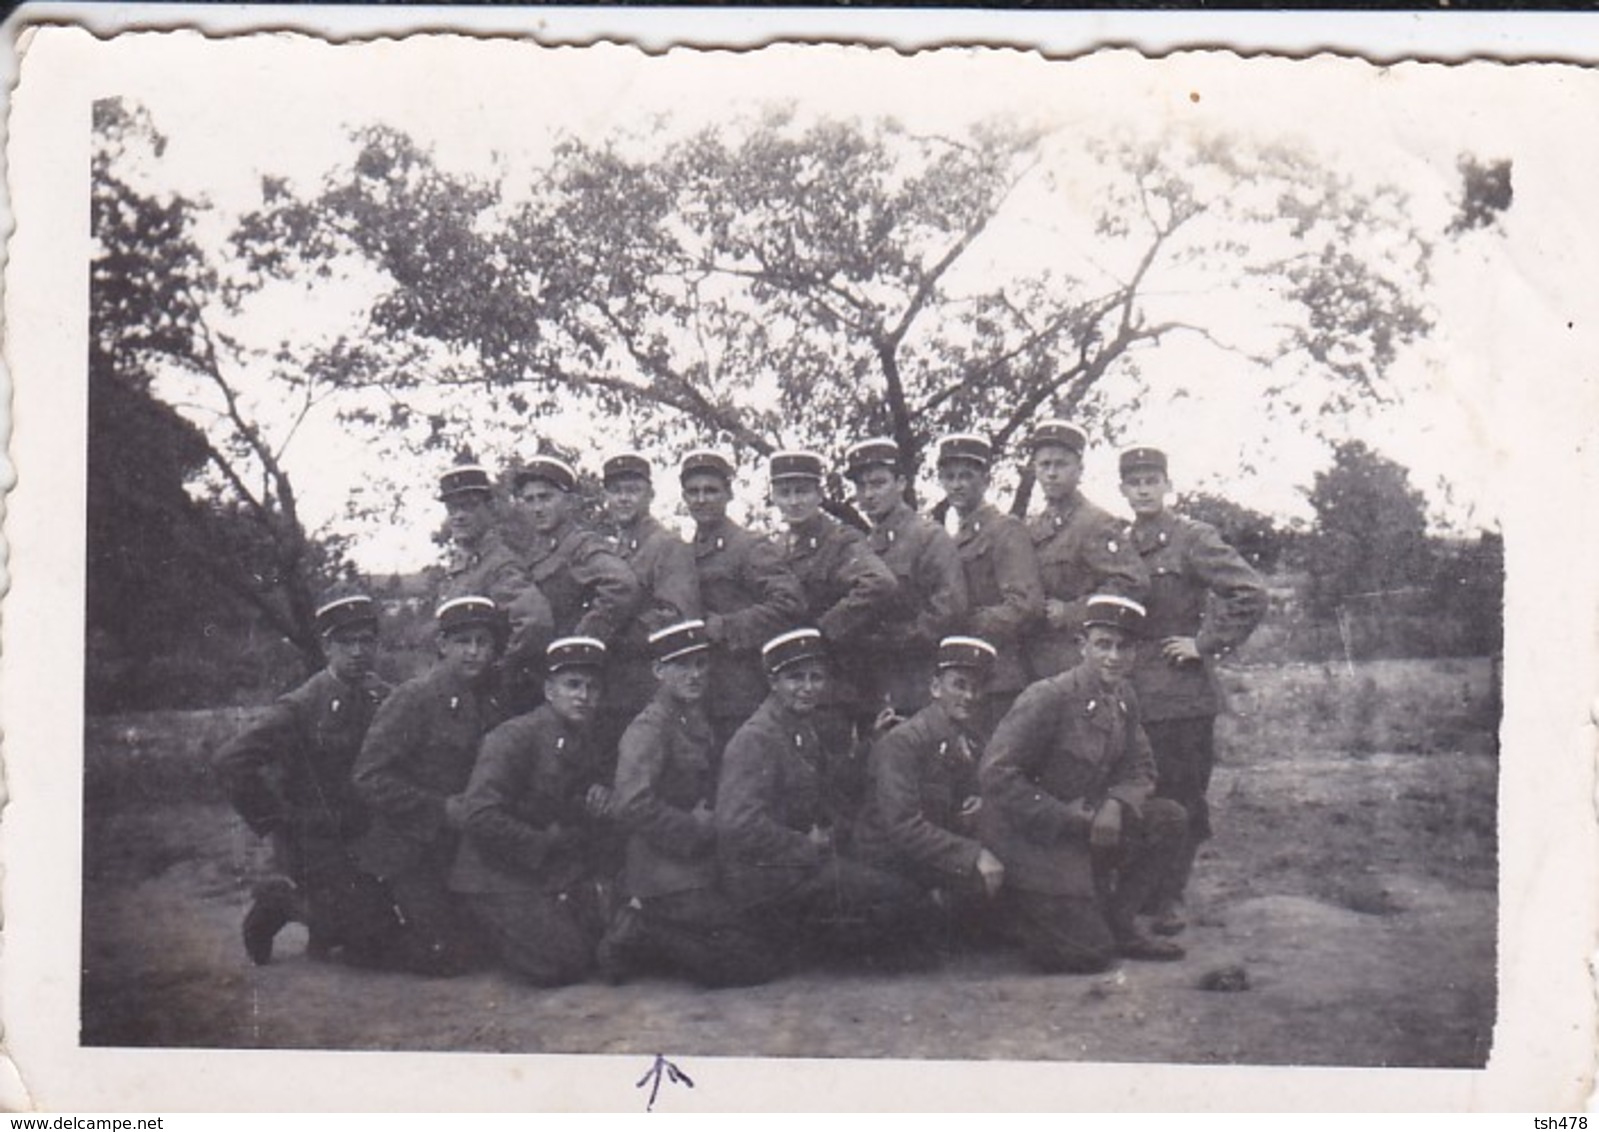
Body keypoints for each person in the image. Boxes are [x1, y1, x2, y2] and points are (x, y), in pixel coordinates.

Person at [979, 595, 1188, 972]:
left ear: (1135, 653)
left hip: (1084, 828)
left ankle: (1120, 922)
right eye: (1102, 645)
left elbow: (1140, 765)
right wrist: (1067, 818)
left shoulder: (1123, 695)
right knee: (1085, 954)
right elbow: (997, 775)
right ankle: (1013, 910)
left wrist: (1115, 805)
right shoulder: (1049, 697)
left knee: (1168, 818)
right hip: (1031, 836)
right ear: (1082, 646)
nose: (1113, 656)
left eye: (1123, 647)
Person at [1119, 445, 1268, 935]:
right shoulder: (1118, 542)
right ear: (1122, 490)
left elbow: (1249, 591)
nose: (1143, 489)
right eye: (1134, 481)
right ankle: (1141, 891)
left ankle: (1171, 897)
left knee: (1183, 794)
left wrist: (1205, 642)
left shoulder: (1192, 538)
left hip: (1181, 693)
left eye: (1151, 479)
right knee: (1140, 794)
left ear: (1167, 484)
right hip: (1130, 691)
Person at [716, 628, 927, 963]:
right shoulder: (757, 738)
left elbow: (828, 780)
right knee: (902, 902)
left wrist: (871, 742)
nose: (808, 688)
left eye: (816, 678)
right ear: (773, 681)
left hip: (799, 866)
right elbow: (736, 824)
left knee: (902, 884)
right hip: (768, 878)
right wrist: (805, 844)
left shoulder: (799, 725)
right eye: (795, 678)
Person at [213, 592, 392, 965]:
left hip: (367, 834)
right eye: (347, 642)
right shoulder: (301, 706)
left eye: (366, 641)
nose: (358, 652)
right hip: (314, 841)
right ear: (328, 647)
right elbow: (231, 760)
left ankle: (328, 923)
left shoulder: (382, 695)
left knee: (390, 926)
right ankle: (280, 901)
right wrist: (277, 820)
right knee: (367, 941)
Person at [600, 620, 778, 987]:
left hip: (696, 862)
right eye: (682, 666)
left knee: (764, 936)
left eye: (700, 665)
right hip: (659, 870)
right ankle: (641, 928)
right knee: (749, 963)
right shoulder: (650, 728)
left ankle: (650, 932)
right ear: (658, 671)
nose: (694, 675)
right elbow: (631, 804)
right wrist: (694, 827)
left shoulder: (692, 717)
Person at [349, 596, 509, 975]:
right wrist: (439, 808)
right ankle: (310, 913)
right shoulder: (415, 698)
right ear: (442, 645)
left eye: (482, 642)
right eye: (462, 642)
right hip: (408, 846)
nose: (473, 652)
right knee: (444, 956)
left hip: (460, 847)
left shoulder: (492, 700)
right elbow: (368, 777)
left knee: (490, 943)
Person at [449, 637, 618, 987]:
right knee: (562, 965)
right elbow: (479, 815)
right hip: (493, 873)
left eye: (592, 687)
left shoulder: (585, 737)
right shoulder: (515, 737)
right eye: (572, 685)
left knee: (604, 948)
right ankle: (481, 932)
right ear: (549, 690)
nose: (583, 696)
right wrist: (544, 845)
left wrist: (602, 788)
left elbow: (575, 789)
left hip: (542, 869)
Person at [853, 636, 1007, 944]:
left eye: (976, 688)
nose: (969, 696)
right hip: (889, 858)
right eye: (959, 685)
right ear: (936, 688)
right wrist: (972, 854)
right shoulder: (904, 741)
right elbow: (903, 826)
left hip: (928, 852)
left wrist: (982, 804)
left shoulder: (971, 738)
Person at [769, 448, 899, 749]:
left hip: (837, 683)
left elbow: (879, 583)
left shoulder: (841, 540)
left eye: (802, 491)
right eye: (785, 493)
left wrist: (823, 631)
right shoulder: (778, 547)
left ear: (818, 494)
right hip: (794, 684)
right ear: (774, 497)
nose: (794, 501)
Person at [679, 448, 807, 751]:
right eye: (693, 492)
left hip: (742, 691)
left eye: (711, 490)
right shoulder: (684, 552)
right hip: (699, 692)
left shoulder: (749, 547)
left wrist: (726, 626)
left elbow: (790, 603)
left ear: (729, 494)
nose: (701, 499)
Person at [843, 437, 968, 716]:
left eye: (878, 483)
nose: (868, 494)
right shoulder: (863, 544)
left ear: (901, 483)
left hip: (918, 680)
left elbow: (950, 607)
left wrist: (901, 638)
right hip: (872, 684)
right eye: (861, 486)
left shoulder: (927, 536)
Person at [596, 451, 702, 769]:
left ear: (650, 495)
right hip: (613, 687)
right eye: (616, 491)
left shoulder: (667, 546)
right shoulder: (611, 550)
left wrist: (610, 636)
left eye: (632, 490)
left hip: (649, 686)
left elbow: (677, 615)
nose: (623, 499)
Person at [510, 454, 641, 709]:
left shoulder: (581, 546)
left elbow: (622, 585)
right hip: (545, 679)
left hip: (576, 683)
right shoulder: (536, 551)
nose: (537, 507)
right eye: (530, 500)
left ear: (568, 501)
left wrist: (581, 642)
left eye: (546, 497)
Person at [1020, 420, 1148, 680]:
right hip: (1036, 662)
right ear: (1035, 470)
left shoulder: (1095, 522)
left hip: (1078, 659)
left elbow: (1132, 583)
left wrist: (1072, 612)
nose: (1052, 473)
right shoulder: (1034, 527)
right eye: (1044, 465)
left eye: (1061, 464)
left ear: (1079, 470)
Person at [935, 433, 1045, 731]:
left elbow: (1025, 605)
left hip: (1001, 677)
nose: (956, 484)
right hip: (966, 676)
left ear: (985, 480)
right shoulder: (953, 539)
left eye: (966, 476)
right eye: (949, 477)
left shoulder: (1005, 530)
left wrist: (964, 621)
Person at [434, 462, 555, 690]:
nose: (458, 516)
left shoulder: (500, 565)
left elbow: (535, 623)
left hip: (485, 692)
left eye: (468, 507)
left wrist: (497, 669)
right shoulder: (462, 565)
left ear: (489, 509)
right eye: (452, 509)